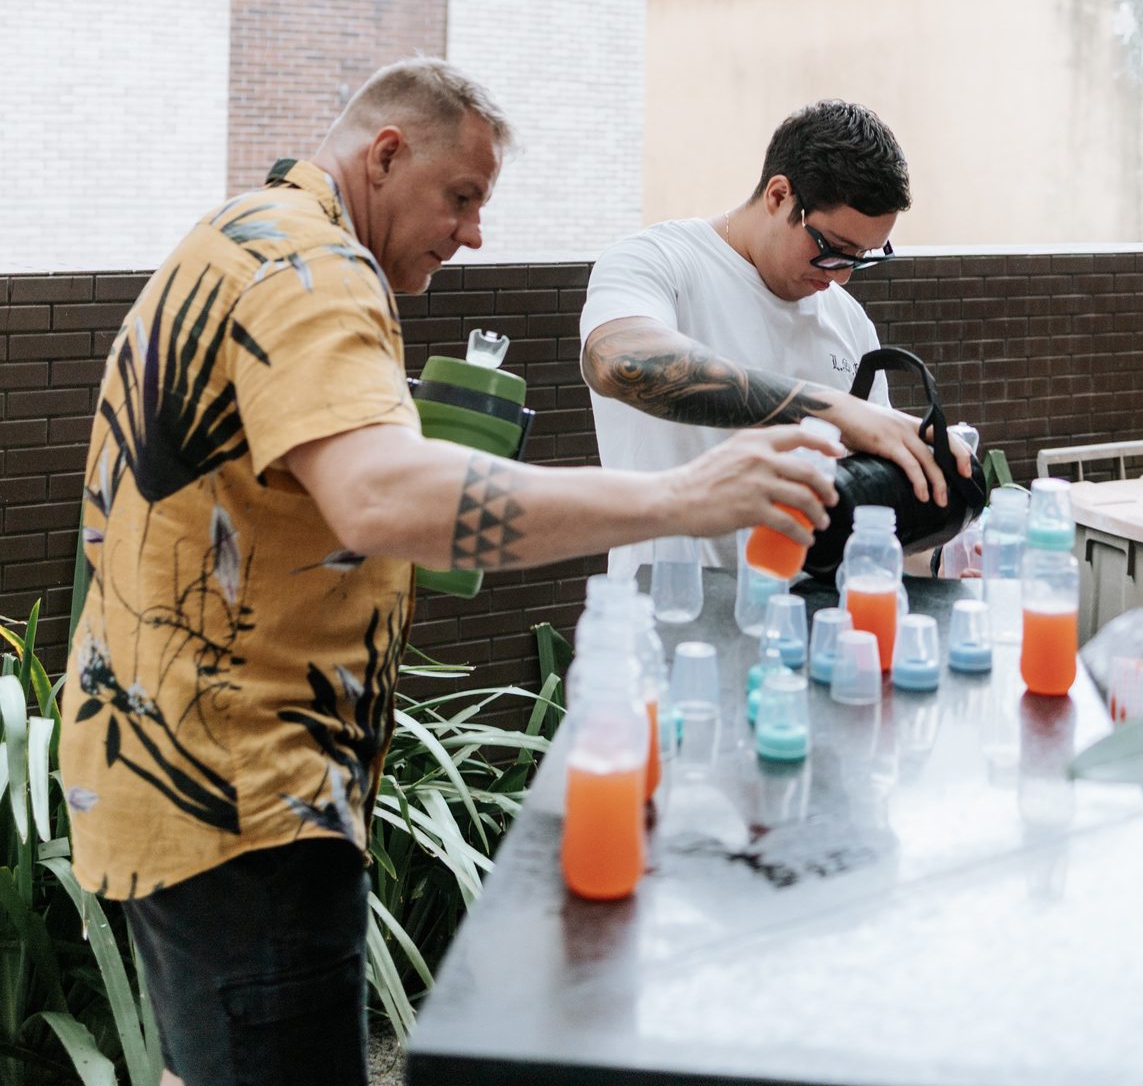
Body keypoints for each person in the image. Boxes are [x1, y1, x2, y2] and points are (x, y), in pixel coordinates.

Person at [60, 59, 841, 1086]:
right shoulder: (312, 268)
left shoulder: (243, 236)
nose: (473, 232)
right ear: (385, 153)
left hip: (165, 759)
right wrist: (681, 501)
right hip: (241, 795)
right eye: (462, 196)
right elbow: (380, 497)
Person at [581, 99, 972, 573]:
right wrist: (834, 409)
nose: (844, 275)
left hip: (802, 620)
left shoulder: (849, 323)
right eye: (833, 248)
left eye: (864, 256)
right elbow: (622, 363)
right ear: (779, 195)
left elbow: (869, 512)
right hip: (666, 613)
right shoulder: (659, 263)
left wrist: (939, 556)